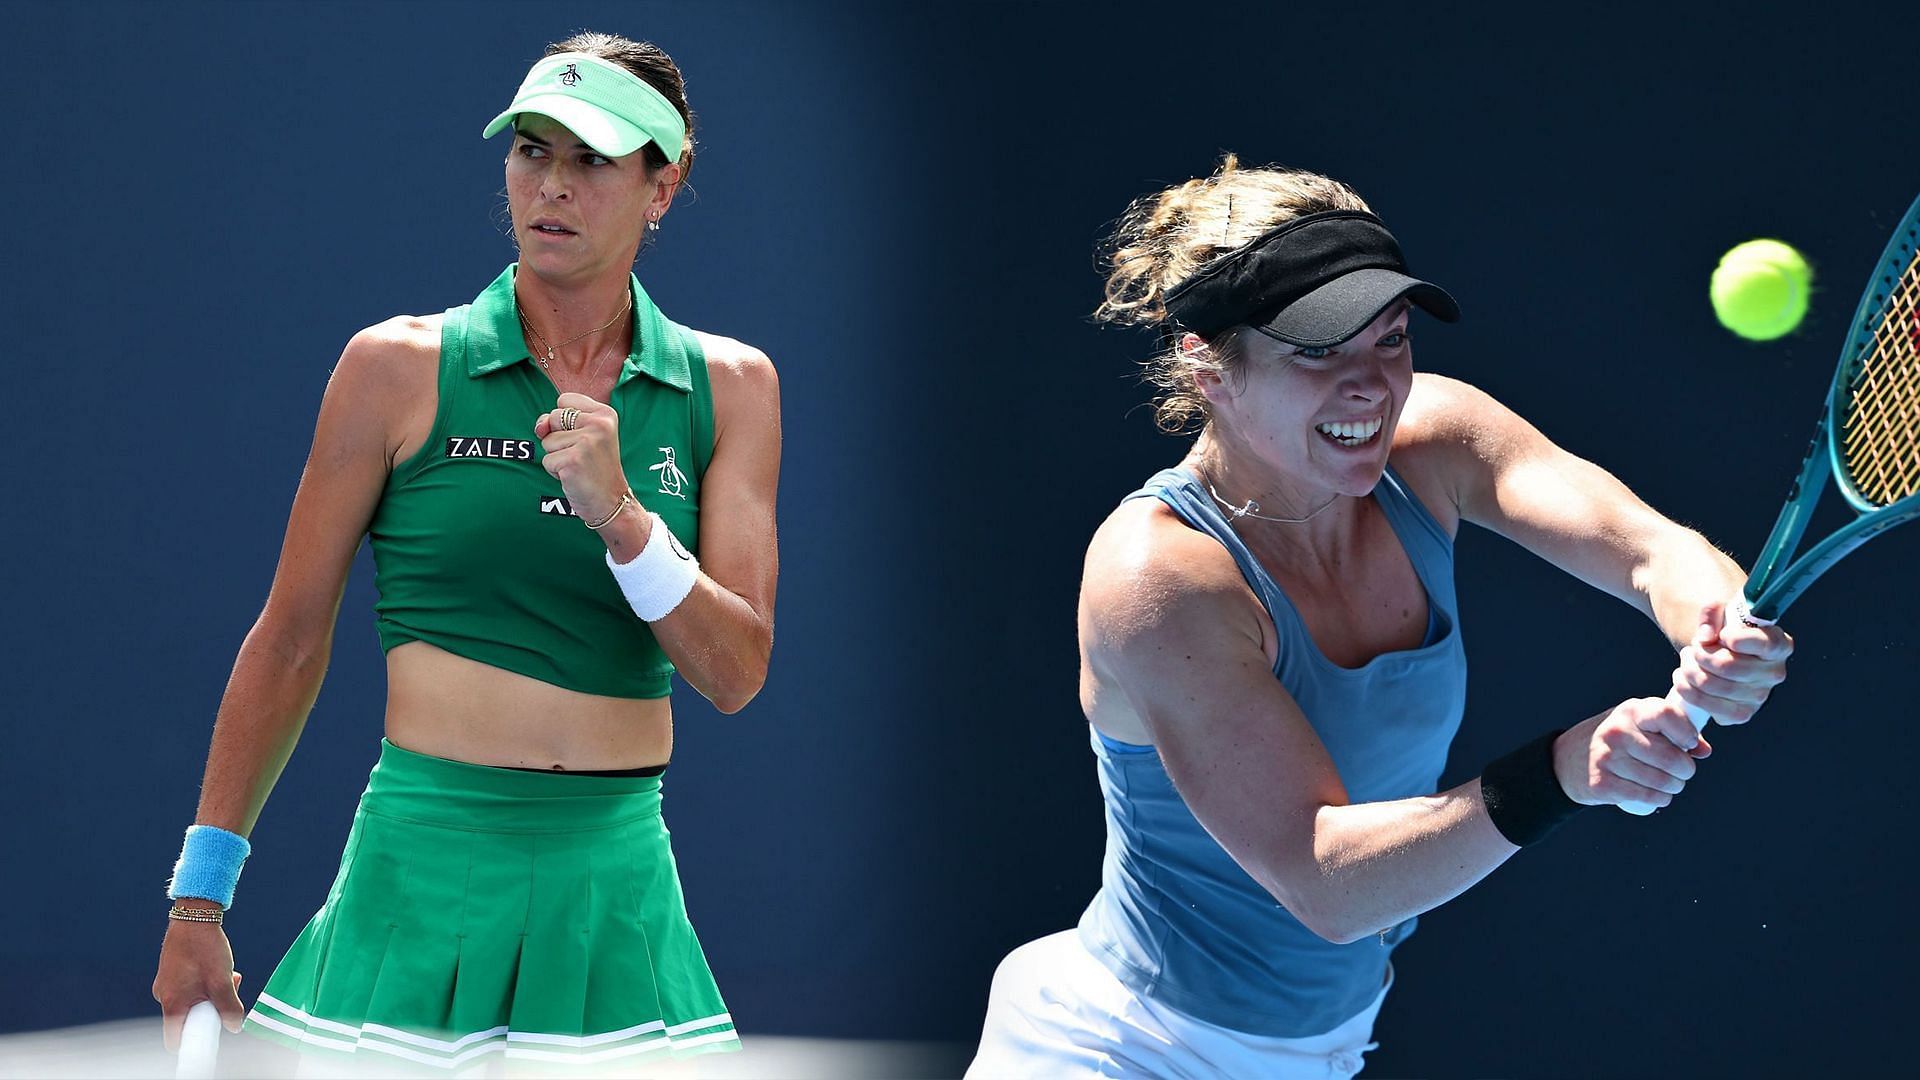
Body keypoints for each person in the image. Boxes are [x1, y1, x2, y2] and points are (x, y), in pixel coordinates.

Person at [965, 156, 1793, 1078]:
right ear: (1210, 367)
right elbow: (1324, 881)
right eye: (1318, 351)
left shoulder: (1433, 444)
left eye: (1391, 339)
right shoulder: (1158, 576)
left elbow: (1647, 548)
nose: (1371, 385)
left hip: (1324, 1051)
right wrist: (1562, 772)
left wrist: (1716, 625)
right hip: (1124, 1053)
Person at [150, 32, 780, 1073]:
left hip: (615, 894)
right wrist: (197, 896)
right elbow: (290, 641)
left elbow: (735, 671)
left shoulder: (735, 389)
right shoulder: (393, 369)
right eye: (532, 151)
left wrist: (624, 519)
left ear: (662, 188)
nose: (552, 186)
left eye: (591, 160)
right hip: (417, 872)